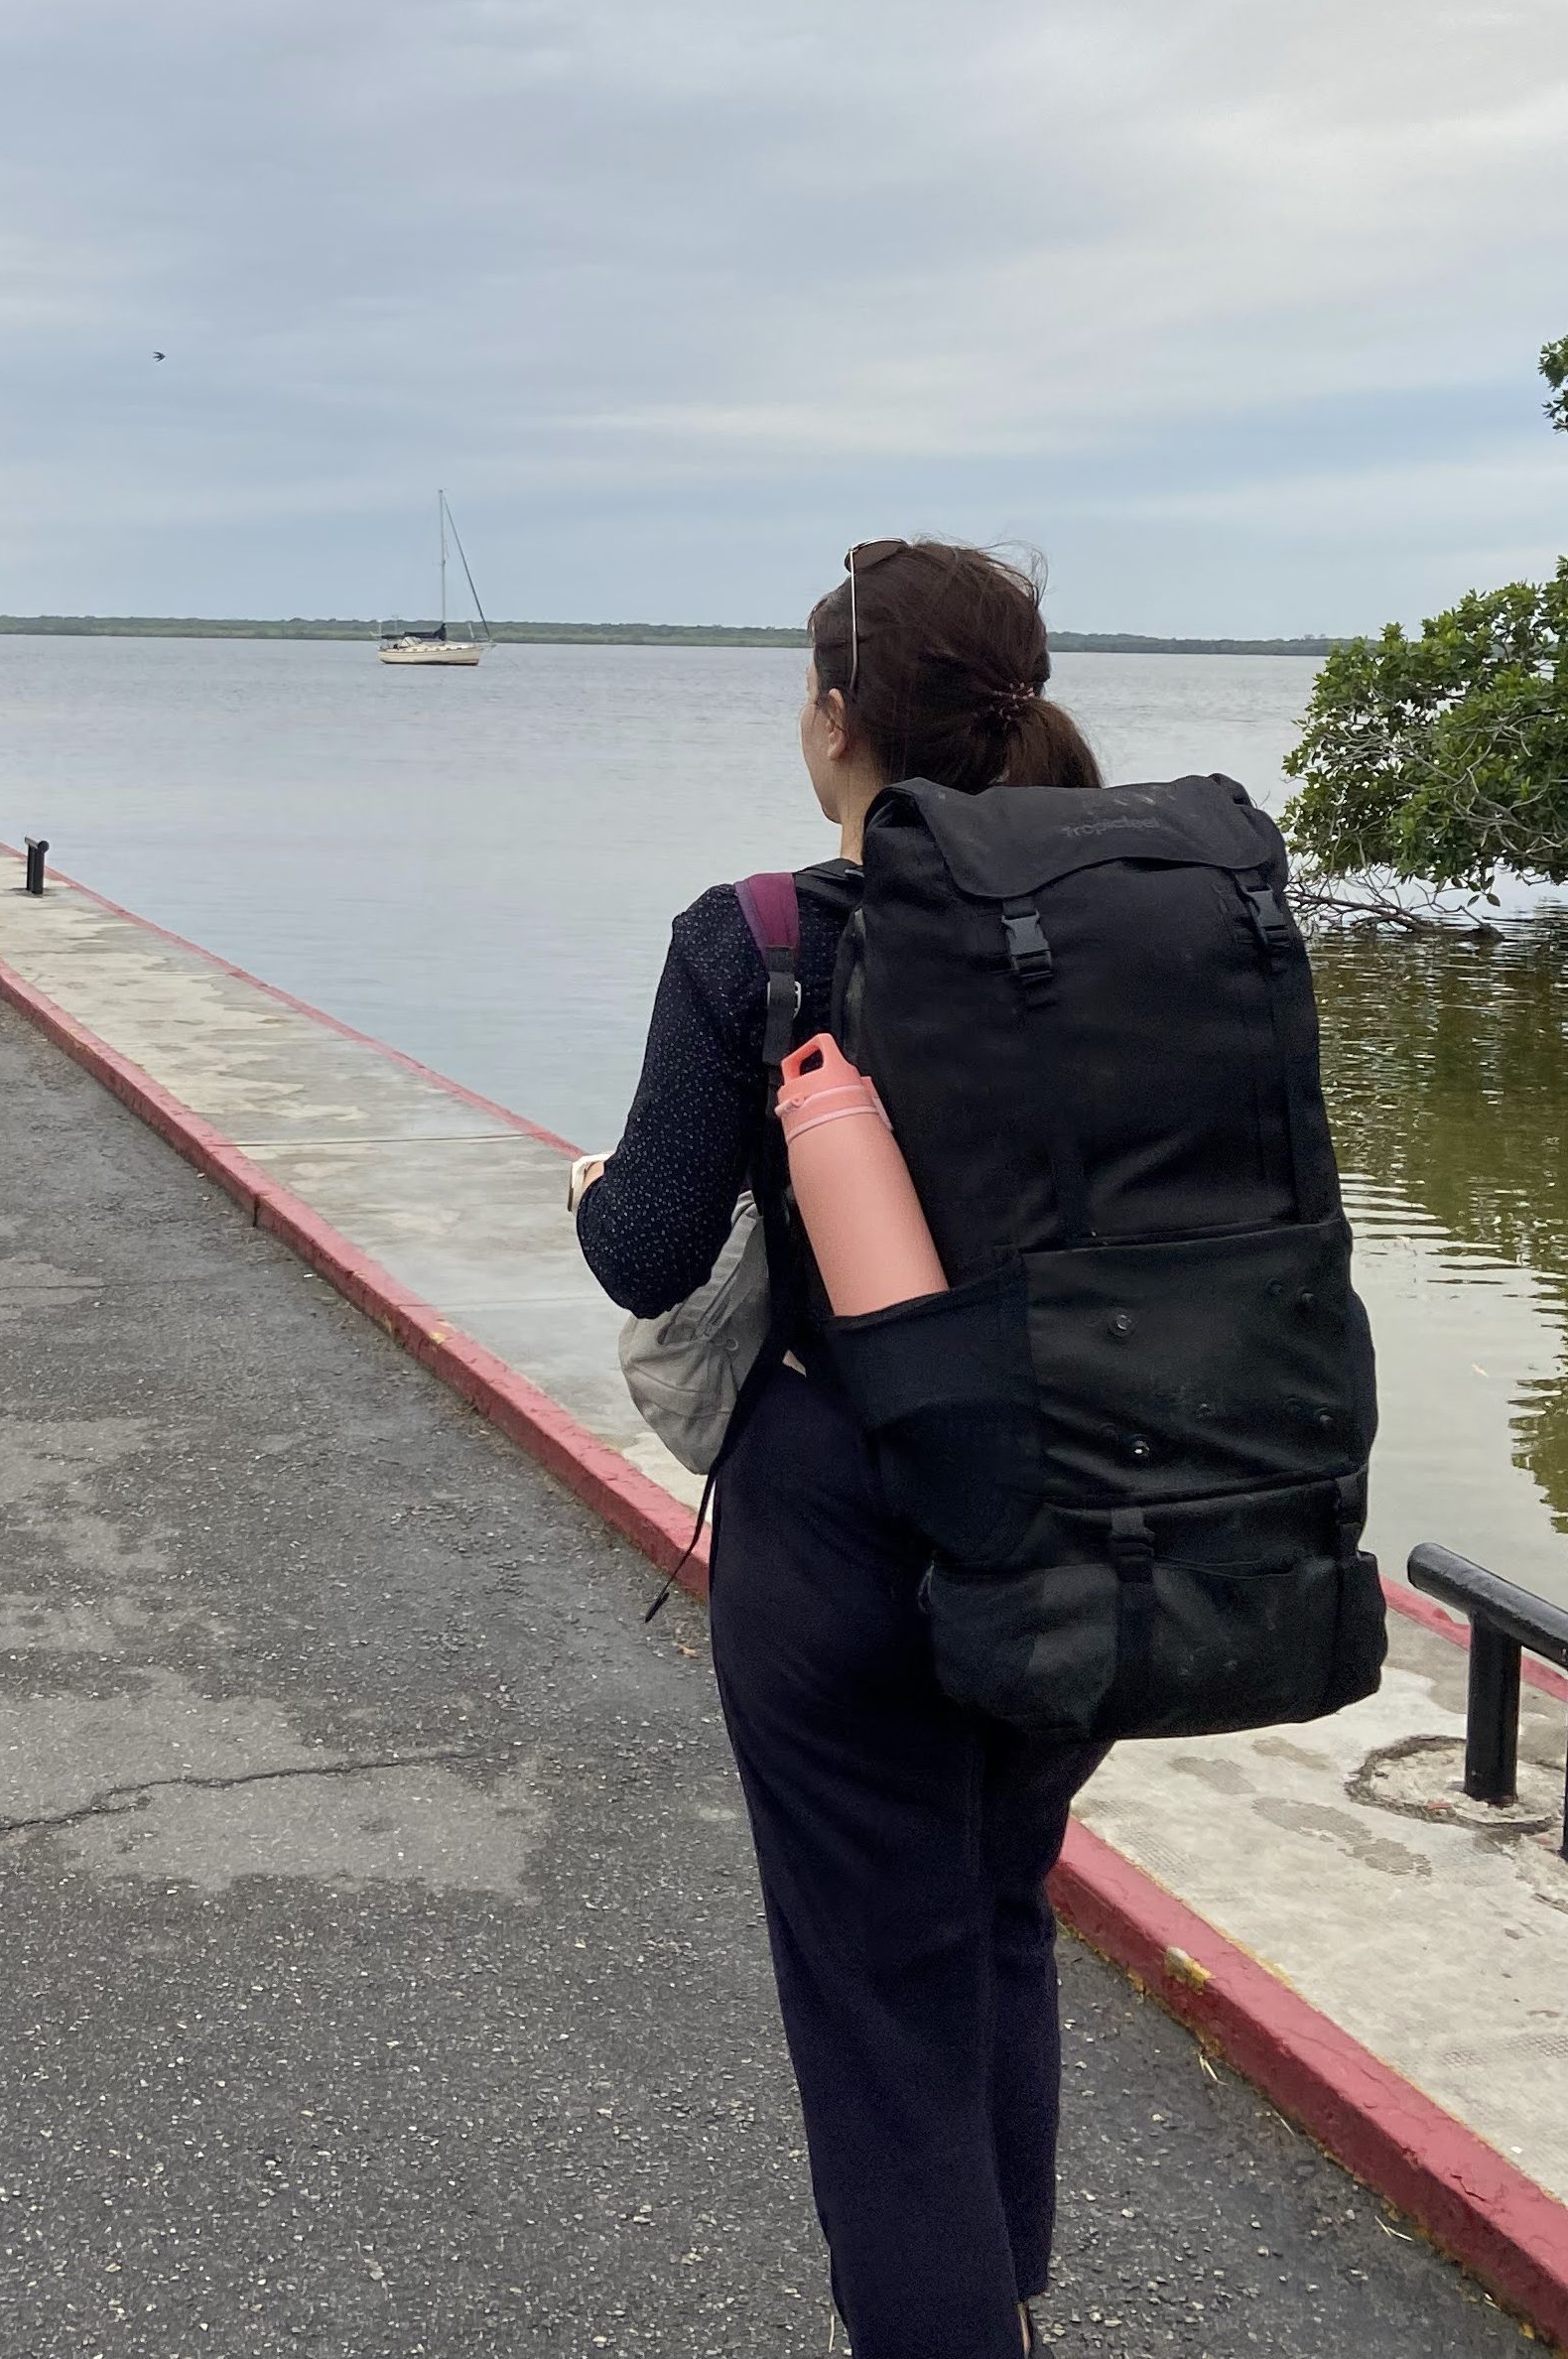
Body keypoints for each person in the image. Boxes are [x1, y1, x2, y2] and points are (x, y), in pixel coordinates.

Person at [574, 541, 1108, 2359]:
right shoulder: (1136, 913)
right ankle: (1001, 2301)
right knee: (991, 1903)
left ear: (832, 721)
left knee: (879, 1993)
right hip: (1102, 1501)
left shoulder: (768, 936)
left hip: (855, 1527)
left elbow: (649, 1249)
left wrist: (590, 1189)